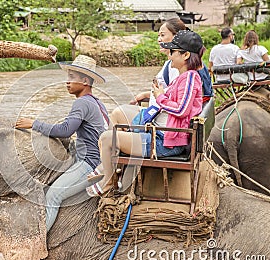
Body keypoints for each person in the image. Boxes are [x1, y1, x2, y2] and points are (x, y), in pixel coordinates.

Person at [86, 30, 204, 196]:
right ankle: (113, 167)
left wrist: (160, 96)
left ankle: (108, 182)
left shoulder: (190, 78)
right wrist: (160, 94)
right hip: (162, 129)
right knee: (118, 114)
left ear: (185, 55)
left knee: (106, 138)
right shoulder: (183, 76)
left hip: (166, 141)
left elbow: (181, 109)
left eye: (172, 51)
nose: (169, 55)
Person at [15, 55, 109, 232]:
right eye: (68, 77)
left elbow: (66, 130)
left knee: (53, 196)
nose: (67, 82)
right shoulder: (96, 102)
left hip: (89, 164)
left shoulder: (82, 103)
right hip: (98, 159)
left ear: (85, 81)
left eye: (72, 78)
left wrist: (34, 124)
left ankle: (37, 242)